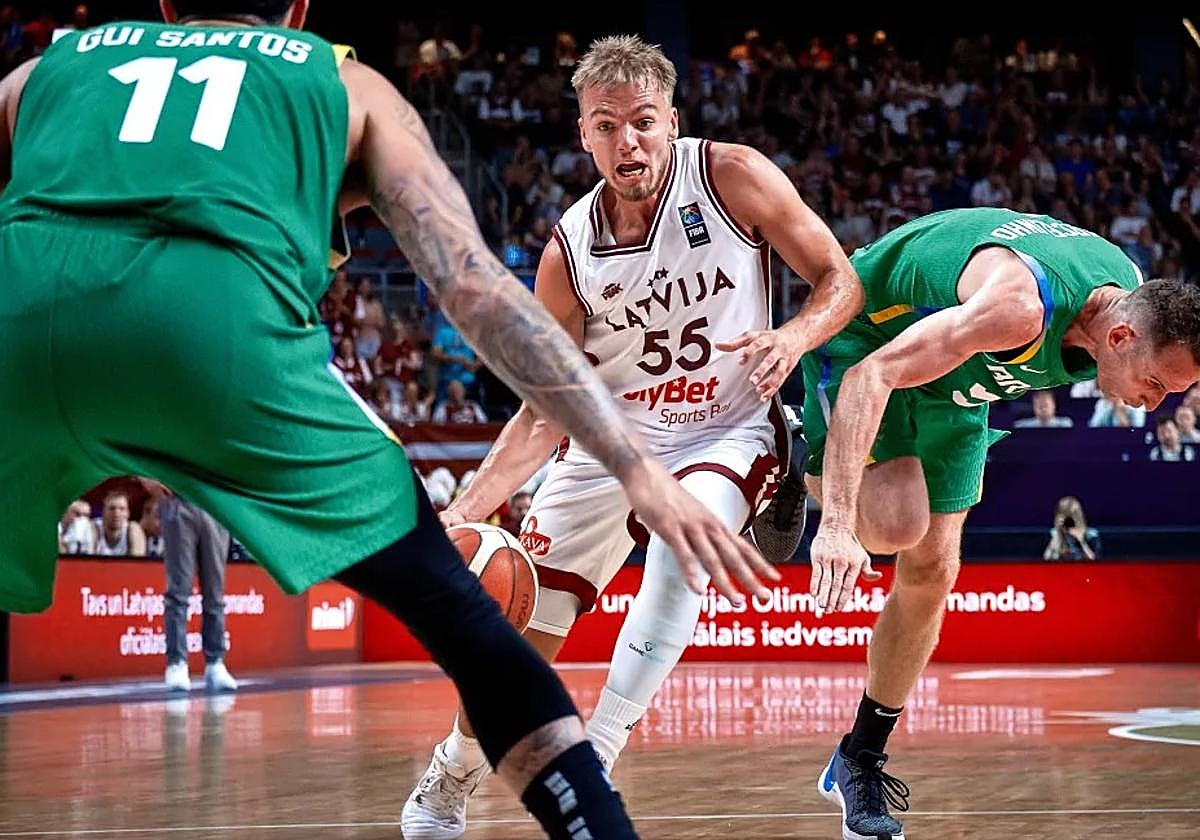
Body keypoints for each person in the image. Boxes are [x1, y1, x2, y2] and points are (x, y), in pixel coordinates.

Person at [0, 5, 780, 839]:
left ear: (164, 7)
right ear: (297, 12)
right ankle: (580, 818)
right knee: (465, 616)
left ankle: (468, 785)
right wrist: (631, 465)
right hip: (215, 341)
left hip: (18, 323)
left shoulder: (45, 69)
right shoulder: (339, 79)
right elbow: (471, 286)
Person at [401, 34, 863, 840]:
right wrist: (465, 509)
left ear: (671, 122)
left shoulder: (731, 176)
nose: (629, 141)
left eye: (644, 122)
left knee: (685, 543)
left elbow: (840, 280)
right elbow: (544, 408)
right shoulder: (569, 251)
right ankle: (451, 772)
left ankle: (600, 752)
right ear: (583, 133)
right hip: (609, 444)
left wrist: (792, 337)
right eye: (607, 125)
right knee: (522, 633)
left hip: (726, 428)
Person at [801, 207, 1200, 839]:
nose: (1154, 405)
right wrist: (836, 525)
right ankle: (792, 462)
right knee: (892, 526)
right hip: (872, 341)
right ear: (1120, 338)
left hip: (961, 374)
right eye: (1154, 383)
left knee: (934, 571)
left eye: (1169, 394)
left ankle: (859, 758)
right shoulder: (1017, 308)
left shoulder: (1128, 295)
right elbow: (871, 376)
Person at [1042, 495, 1100, 560]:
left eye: (1071, 518)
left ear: (1079, 517)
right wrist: (1058, 535)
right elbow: (1047, 558)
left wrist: (1082, 542)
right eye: (1066, 518)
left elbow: (1094, 560)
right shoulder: (1054, 533)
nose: (1069, 522)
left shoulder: (1091, 535)